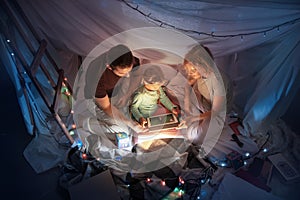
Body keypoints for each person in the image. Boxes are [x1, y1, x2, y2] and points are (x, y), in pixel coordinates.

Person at [180, 44, 232, 148]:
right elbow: (188, 86)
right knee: (180, 91)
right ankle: (192, 122)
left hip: (217, 114)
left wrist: (193, 118)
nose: (191, 73)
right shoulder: (200, 74)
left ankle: (194, 125)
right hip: (204, 105)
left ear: (204, 64)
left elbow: (216, 111)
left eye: (193, 70)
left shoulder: (218, 81)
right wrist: (187, 89)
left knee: (197, 139)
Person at [92, 44, 144, 134]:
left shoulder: (128, 59)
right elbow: (106, 107)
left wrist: (127, 95)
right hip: (100, 98)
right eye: (122, 73)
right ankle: (87, 123)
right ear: (109, 67)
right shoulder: (97, 78)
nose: (127, 75)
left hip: (117, 89)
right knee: (121, 128)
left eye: (129, 70)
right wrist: (131, 124)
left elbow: (137, 75)